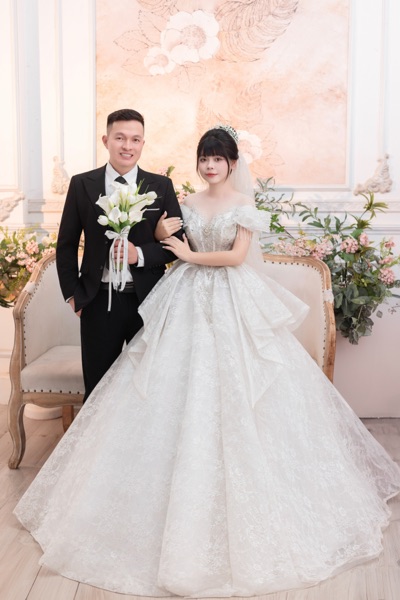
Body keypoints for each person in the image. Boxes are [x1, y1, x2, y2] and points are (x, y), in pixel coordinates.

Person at [14, 126, 400, 597]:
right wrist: (162, 237)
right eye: (204, 158)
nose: (210, 165)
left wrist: (187, 254)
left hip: (229, 298)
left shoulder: (244, 204)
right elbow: (165, 240)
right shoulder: (187, 202)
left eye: (218, 159)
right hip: (185, 297)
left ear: (233, 163)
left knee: (240, 385)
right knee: (159, 383)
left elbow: (236, 257)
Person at [56, 108, 183, 400]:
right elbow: (66, 244)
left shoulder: (161, 186)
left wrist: (140, 254)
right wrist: (73, 295)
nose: (128, 146)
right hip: (98, 301)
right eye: (120, 138)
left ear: (143, 143)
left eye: (135, 139)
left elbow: (176, 243)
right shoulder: (81, 184)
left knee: (147, 390)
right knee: (98, 390)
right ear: (106, 140)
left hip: (148, 301)